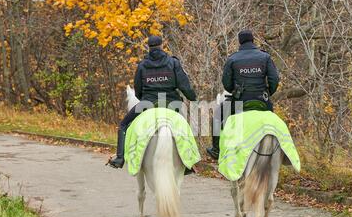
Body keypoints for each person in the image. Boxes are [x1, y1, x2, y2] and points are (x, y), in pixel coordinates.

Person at [108, 35, 197, 168]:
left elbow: (138, 90)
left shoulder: (142, 65)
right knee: (185, 128)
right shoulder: (173, 62)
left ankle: (120, 158)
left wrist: (145, 98)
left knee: (124, 125)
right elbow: (184, 85)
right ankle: (189, 162)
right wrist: (192, 96)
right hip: (172, 104)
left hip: (147, 103)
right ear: (162, 45)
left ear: (149, 47)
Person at [206, 29, 280, 160]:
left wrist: (235, 91)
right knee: (276, 123)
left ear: (239, 42)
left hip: (239, 102)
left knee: (217, 116)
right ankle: (282, 151)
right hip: (262, 100)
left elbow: (226, 84)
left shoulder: (233, 58)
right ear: (253, 40)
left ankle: (216, 150)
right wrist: (268, 93)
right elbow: (274, 80)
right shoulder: (265, 57)